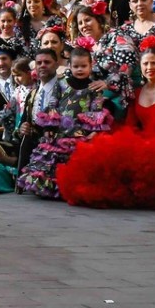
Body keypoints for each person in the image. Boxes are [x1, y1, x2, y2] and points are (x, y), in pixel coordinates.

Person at [57, 36, 155, 209]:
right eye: (145, 64)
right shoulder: (137, 92)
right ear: (140, 66)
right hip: (145, 145)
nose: (149, 68)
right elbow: (130, 127)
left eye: (154, 63)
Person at [14, 44, 116, 200]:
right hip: (59, 133)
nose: (80, 69)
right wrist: (48, 127)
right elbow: (53, 105)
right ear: (69, 66)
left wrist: (94, 132)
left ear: (91, 66)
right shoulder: (61, 83)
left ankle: (69, 189)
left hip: (81, 135)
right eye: (76, 66)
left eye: (84, 66)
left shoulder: (94, 88)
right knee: (51, 162)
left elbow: (97, 111)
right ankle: (52, 189)